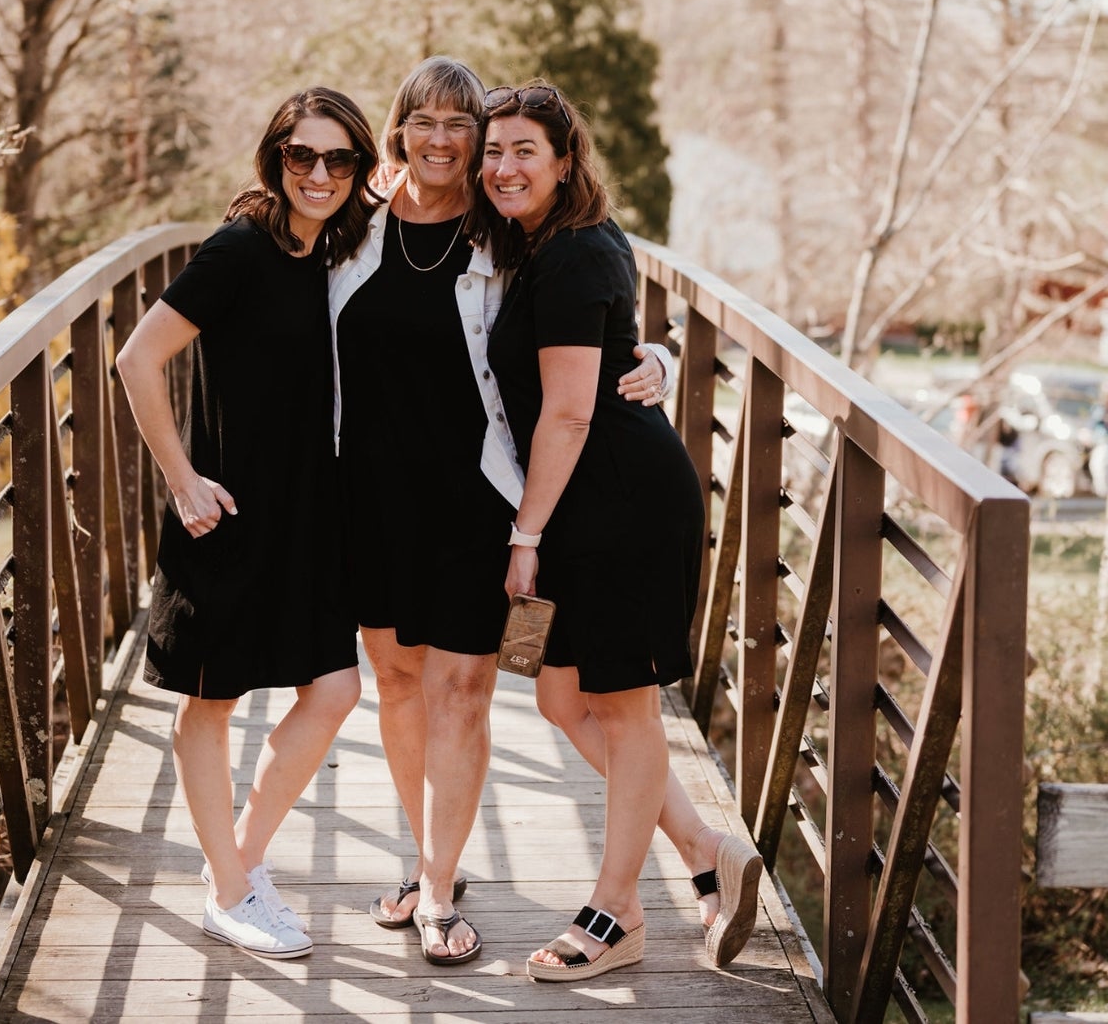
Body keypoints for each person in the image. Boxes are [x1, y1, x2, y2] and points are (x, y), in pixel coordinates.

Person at [329, 56, 677, 966]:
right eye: (425, 122)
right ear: (397, 129)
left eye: (464, 127)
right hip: (369, 498)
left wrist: (661, 358)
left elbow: (603, 294)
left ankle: (440, 889)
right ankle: (425, 857)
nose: (446, 142)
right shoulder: (349, 229)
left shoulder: (508, 234)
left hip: (481, 498)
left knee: (464, 690)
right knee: (397, 686)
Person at [477, 79, 755, 982]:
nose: (504, 166)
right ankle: (708, 850)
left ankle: (618, 910)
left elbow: (565, 415)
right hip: (573, 511)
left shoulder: (573, 254)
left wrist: (524, 536)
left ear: (566, 161)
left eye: (525, 150)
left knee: (628, 711)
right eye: (494, 150)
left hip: (621, 507)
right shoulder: (541, 244)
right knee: (558, 696)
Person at [115, 87, 376, 960]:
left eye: (339, 160)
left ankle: (238, 862)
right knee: (212, 698)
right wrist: (182, 479)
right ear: (276, 157)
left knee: (336, 687)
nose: (320, 174)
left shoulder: (334, 248)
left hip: (310, 514)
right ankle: (231, 889)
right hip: (221, 514)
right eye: (303, 156)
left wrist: (646, 350)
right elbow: (136, 357)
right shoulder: (237, 249)